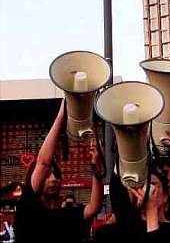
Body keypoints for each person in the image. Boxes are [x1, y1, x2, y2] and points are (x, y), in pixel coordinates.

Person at [14, 99, 104, 243]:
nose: (53, 179)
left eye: (56, 175)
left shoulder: (66, 215)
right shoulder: (28, 206)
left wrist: (96, 169)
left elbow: (94, 207)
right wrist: (61, 117)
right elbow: (43, 163)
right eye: (47, 175)